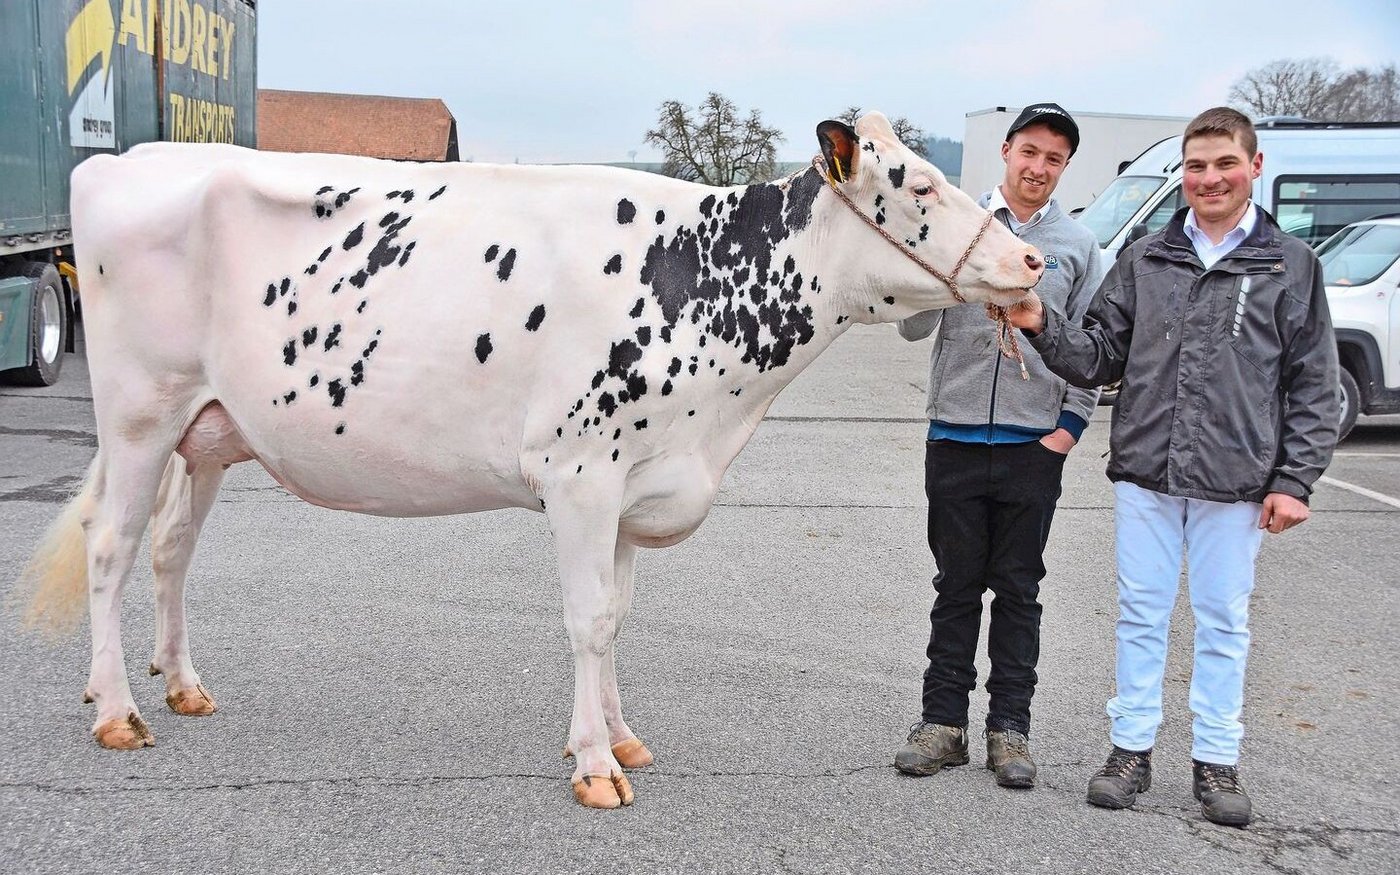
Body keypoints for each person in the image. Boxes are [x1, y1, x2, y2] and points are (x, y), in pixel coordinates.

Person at [1002, 107, 1339, 826]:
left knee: (1222, 619)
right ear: (1180, 174)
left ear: (1255, 165)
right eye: (1195, 166)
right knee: (1141, 615)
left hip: (1237, 482)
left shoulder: (1290, 264)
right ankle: (1129, 751)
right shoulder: (1149, 256)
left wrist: (1293, 480)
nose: (1208, 178)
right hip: (1147, 471)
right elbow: (1099, 354)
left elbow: (1312, 382)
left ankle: (1216, 762)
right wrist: (1040, 323)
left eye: (1223, 164)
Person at [894, 103, 1105, 789]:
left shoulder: (1078, 247)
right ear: (1007, 151)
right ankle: (942, 724)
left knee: (1018, 590)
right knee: (954, 586)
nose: (1039, 168)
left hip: (1030, 445)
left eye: (1055, 159)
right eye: (1030, 152)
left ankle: (1009, 729)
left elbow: (1094, 351)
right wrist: (935, 270)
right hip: (953, 434)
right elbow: (912, 327)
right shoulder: (962, 226)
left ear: (1064, 167)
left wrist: (1066, 430)